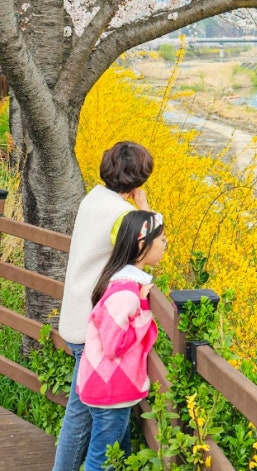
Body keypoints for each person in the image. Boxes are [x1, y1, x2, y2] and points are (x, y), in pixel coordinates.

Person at [53, 141, 154, 471]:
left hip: (75, 316)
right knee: (82, 418)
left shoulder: (94, 197)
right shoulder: (120, 214)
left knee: (80, 411)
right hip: (95, 326)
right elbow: (151, 246)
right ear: (138, 179)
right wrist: (144, 205)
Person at [76, 210, 166, 471]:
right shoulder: (125, 293)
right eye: (161, 239)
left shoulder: (123, 282)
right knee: (101, 462)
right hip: (110, 390)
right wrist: (144, 310)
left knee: (118, 455)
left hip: (109, 387)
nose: (165, 244)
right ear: (142, 244)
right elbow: (114, 344)